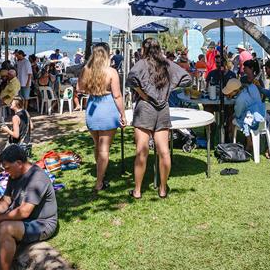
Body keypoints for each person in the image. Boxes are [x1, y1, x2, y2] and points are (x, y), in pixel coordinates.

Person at [0, 144, 58, 270]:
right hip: (23, 220)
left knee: (6, 228)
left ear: (19, 163)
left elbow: (24, 212)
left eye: (7, 168)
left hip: (41, 224)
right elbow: (6, 200)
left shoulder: (37, 179)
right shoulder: (15, 174)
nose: (6, 172)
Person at [126, 38, 190, 200]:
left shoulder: (142, 64)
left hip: (145, 108)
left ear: (144, 49)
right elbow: (186, 78)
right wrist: (169, 88)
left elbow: (130, 79)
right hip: (163, 109)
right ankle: (162, 189)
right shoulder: (167, 64)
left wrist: (143, 94)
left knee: (142, 151)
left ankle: (138, 190)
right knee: (164, 151)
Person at [76, 42, 124, 192]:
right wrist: (122, 113)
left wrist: (93, 89)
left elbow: (79, 89)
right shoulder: (111, 72)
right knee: (104, 148)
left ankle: (100, 173)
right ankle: (99, 182)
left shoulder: (86, 69)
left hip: (92, 108)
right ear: (107, 54)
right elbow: (117, 95)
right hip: (107, 109)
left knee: (97, 144)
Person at [227, 77, 265, 154]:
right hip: (261, 116)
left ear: (235, 91)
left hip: (252, 120)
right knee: (244, 116)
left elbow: (238, 114)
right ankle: (248, 141)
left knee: (232, 119)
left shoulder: (240, 99)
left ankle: (232, 142)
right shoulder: (253, 87)